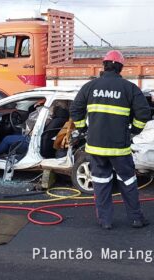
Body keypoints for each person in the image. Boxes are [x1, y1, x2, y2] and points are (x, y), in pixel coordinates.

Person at [70, 50, 151, 229]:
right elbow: (144, 112)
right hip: (120, 148)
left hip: (96, 148)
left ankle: (105, 221)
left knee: (101, 182)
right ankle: (136, 219)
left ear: (104, 65)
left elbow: (75, 109)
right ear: (120, 67)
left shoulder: (90, 87)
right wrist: (133, 131)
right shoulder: (129, 88)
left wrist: (83, 129)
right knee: (128, 181)